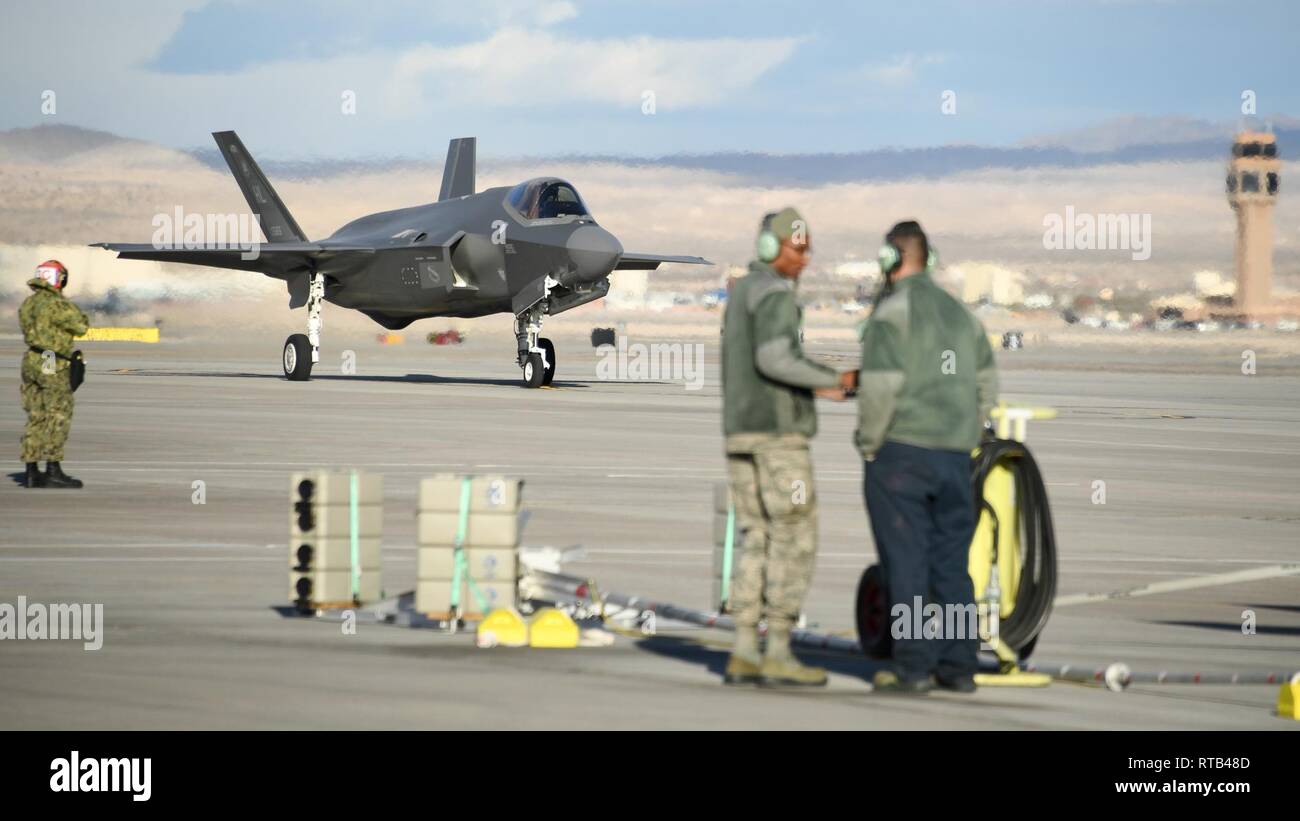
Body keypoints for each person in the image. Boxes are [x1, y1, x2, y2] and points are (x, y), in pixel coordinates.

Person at [855, 221, 997, 694]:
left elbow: (879, 388)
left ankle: (913, 666)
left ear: (891, 260)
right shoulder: (962, 315)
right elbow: (985, 384)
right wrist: (967, 436)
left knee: (907, 562)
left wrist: (870, 444)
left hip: (903, 455)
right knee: (952, 565)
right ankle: (959, 666)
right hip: (955, 457)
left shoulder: (891, 314)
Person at [721, 207, 857, 687]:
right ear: (769, 248)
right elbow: (776, 357)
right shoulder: (776, 294)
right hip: (778, 439)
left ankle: (742, 647)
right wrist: (832, 380)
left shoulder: (741, 293)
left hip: (740, 434)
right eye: (796, 247)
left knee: (754, 535)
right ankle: (777, 646)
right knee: (795, 536)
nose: (804, 257)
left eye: (806, 248)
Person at [19, 260, 89, 489]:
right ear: (57, 279)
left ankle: (31, 470)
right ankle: (53, 469)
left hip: (31, 359)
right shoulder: (56, 304)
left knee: (35, 414)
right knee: (57, 413)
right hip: (51, 360)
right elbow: (81, 326)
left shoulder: (28, 304)